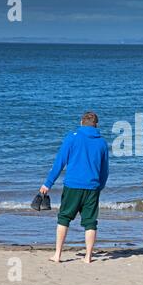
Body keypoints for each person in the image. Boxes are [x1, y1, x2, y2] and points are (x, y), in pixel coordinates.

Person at [39, 111, 109, 264]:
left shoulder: (72, 137)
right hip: (92, 187)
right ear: (96, 125)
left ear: (81, 122)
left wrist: (48, 183)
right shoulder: (102, 142)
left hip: (72, 186)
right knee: (90, 222)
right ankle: (88, 257)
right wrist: (100, 185)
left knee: (64, 218)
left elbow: (59, 162)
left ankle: (57, 255)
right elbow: (105, 170)